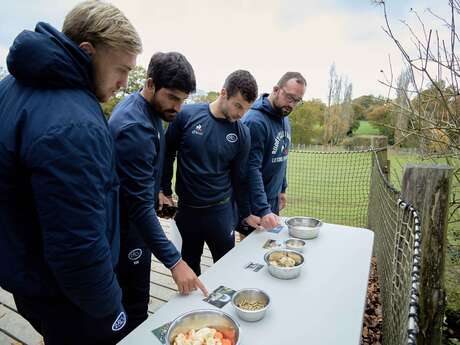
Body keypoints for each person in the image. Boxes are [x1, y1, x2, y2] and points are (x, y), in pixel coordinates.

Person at [0, 1, 142, 344]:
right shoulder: (74, 123)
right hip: (68, 295)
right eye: (121, 69)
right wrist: (111, 309)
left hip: (26, 271)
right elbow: (78, 246)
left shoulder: (10, 86)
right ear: (87, 51)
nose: (124, 83)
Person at [108, 52, 208, 333]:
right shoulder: (135, 128)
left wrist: (158, 193)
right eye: (173, 98)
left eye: (183, 100)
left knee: (136, 300)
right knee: (133, 305)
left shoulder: (148, 111)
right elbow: (138, 208)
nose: (178, 107)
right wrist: (175, 262)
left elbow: (143, 173)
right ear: (150, 84)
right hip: (125, 230)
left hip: (134, 220)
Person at [161, 70, 259, 276]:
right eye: (238, 105)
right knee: (189, 271)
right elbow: (167, 153)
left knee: (226, 271)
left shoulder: (242, 133)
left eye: (246, 109)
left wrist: (246, 213)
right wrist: (165, 191)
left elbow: (240, 179)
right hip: (187, 212)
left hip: (220, 213)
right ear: (223, 93)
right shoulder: (186, 115)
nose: (241, 114)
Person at [238, 72, 306, 237]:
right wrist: (263, 209)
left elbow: (283, 155)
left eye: (297, 101)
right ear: (276, 89)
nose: (292, 104)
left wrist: (282, 189)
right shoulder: (255, 121)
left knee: (270, 247)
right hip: (255, 204)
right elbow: (251, 169)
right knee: (251, 253)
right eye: (290, 97)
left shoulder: (284, 117)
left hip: (272, 200)